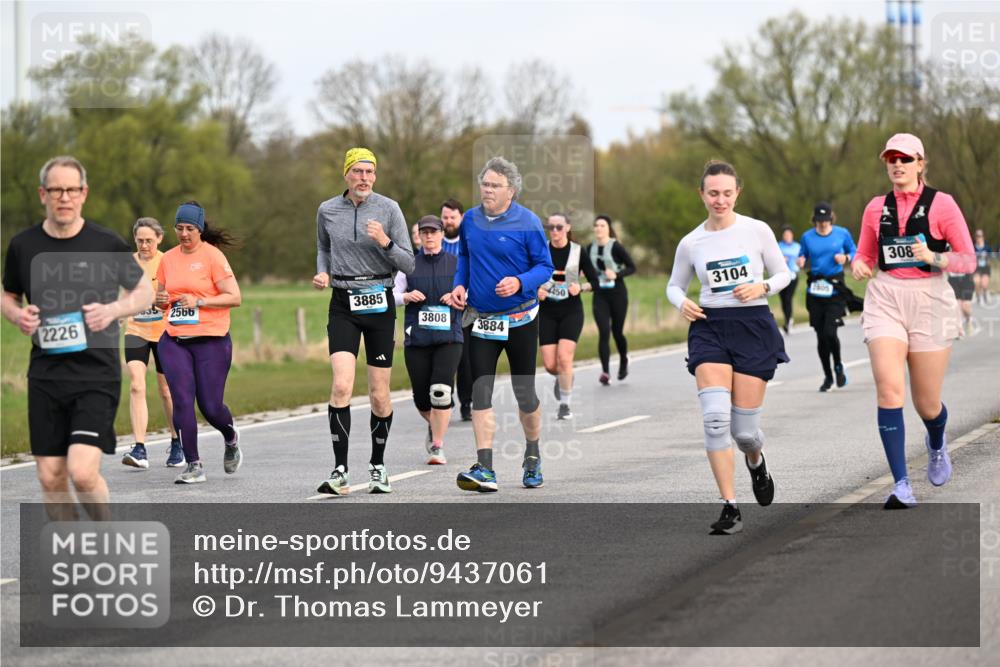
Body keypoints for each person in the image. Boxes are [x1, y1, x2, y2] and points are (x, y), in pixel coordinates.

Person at [1, 156, 152, 519]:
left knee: (82, 473)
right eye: (56, 190)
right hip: (45, 375)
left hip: (94, 374)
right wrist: (18, 314)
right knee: (50, 476)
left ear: (83, 193)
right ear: (43, 194)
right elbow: (8, 294)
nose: (64, 197)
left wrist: (114, 310)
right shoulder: (23, 245)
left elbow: (144, 291)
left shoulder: (105, 243)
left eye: (71, 189)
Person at [666, 160, 792, 535]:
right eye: (712, 193)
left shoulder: (757, 231)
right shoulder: (691, 242)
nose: (720, 199)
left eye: (726, 192)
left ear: (737, 192)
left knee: (744, 433)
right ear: (701, 195)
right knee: (715, 419)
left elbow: (785, 273)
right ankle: (729, 506)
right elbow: (674, 284)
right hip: (710, 327)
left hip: (753, 325)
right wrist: (681, 303)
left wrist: (763, 287)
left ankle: (756, 461)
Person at [851, 133, 976, 509]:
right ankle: (902, 484)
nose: (897, 165)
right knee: (889, 391)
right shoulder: (875, 208)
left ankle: (936, 442)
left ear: (921, 163)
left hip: (931, 298)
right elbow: (865, 253)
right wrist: (860, 264)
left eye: (905, 159)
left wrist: (934, 256)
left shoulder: (943, 205)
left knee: (927, 404)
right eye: (891, 159)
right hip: (886, 297)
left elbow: (967, 259)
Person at [448, 156, 554, 492]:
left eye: (495, 185)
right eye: (485, 184)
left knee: (525, 395)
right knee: (481, 390)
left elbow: (544, 266)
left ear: (511, 191)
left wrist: (520, 282)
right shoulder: (469, 220)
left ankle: (533, 455)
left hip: (521, 318)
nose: (487, 190)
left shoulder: (528, 222)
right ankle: (485, 467)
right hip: (482, 320)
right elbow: (464, 256)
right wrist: (459, 284)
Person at [312, 147, 414, 495]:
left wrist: (384, 242)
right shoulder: (327, 210)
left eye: (370, 172)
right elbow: (323, 248)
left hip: (379, 303)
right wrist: (323, 273)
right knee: (341, 386)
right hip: (343, 301)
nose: (365, 178)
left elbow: (409, 264)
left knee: (379, 394)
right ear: (346, 175)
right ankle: (340, 471)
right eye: (358, 172)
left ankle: (378, 465)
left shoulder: (389, 209)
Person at [155, 202, 243, 484]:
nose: (183, 234)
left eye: (189, 228)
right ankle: (194, 464)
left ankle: (230, 437)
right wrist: (159, 302)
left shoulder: (213, 257)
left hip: (212, 341)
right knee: (181, 399)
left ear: (200, 229)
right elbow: (162, 299)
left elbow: (234, 297)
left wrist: (199, 301)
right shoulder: (167, 259)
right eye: (179, 228)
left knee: (210, 406)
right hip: (174, 340)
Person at [400, 215, 464, 465]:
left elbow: (471, 292)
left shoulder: (457, 263)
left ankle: (437, 446)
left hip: (449, 337)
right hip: (418, 339)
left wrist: (458, 296)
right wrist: (405, 297)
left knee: (440, 391)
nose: (429, 236)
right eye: (424, 232)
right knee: (422, 399)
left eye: (433, 231)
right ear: (419, 235)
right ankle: (435, 424)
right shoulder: (408, 265)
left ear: (441, 234)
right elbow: (392, 294)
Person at [121, 217, 183, 469]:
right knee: (136, 385)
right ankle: (139, 448)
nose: (144, 245)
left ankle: (177, 442)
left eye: (149, 240)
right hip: (136, 330)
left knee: (166, 391)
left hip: (164, 333)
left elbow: (180, 294)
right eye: (139, 241)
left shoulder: (169, 261)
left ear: (159, 239)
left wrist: (165, 300)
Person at [538, 213, 599, 420]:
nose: (555, 231)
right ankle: (563, 377)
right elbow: (528, 277)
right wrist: (536, 290)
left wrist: (580, 288)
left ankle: (565, 405)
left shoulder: (577, 251)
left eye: (559, 227)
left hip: (571, 311)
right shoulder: (541, 250)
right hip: (546, 311)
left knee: (564, 359)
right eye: (551, 227)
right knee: (550, 365)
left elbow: (596, 282)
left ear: (568, 228)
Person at [797, 202, 859, 391]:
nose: (823, 224)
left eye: (825, 220)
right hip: (815, 289)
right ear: (814, 220)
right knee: (821, 336)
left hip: (834, 288)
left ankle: (838, 365)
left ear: (831, 218)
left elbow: (854, 251)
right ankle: (828, 376)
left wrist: (846, 258)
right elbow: (802, 254)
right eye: (819, 221)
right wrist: (800, 260)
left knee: (830, 332)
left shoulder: (842, 233)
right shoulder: (807, 237)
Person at [586, 215, 636, 385]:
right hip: (600, 295)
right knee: (604, 332)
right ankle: (605, 372)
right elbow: (582, 266)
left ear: (608, 228)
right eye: (596, 225)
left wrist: (616, 274)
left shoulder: (616, 247)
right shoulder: (589, 248)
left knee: (617, 332)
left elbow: (632, 267)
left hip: (618, 294)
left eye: (602, 225)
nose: (598, 228)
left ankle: (623, 359)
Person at [441, 198, 473, 421]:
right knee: (444, 356)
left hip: (465, 307)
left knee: (465, 359)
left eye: (453, 217)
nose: (449, 221)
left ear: (461, 218)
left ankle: (467, 403)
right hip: (441, 308)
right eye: (445, 217)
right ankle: (445, 400)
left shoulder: (469, 241)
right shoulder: (434, 241)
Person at [777, 225, 800, 334]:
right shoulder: (778, 246)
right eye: (785, 234)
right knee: (782, 299)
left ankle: (789, 321)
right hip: (781, 275)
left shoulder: (797, 246)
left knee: (788, 298)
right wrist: (782, 260)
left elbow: (801, 259)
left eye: (789, 234)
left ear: (792, 235)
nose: (787, 236)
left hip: (793, 275)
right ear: (783, 236)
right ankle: (787, 319)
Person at [973, 229, 992, 305]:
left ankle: (985, 292)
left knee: (984, 284)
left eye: (980, 236)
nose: (978, 237)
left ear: (983, 237)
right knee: (977, 282)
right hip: (977, 268)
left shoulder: (987, 248)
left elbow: (990, 258)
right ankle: (979, 296)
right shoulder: (973, 247)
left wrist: (987, 258)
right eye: (977, 236)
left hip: (985, 268)